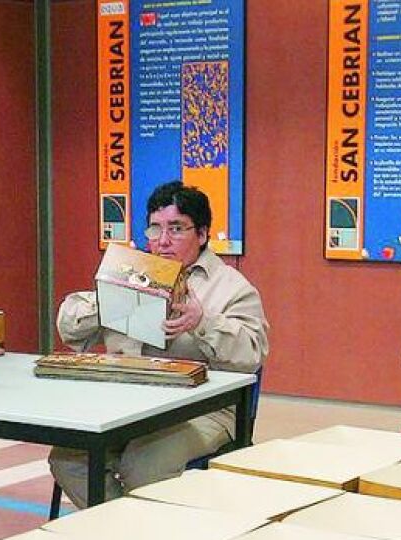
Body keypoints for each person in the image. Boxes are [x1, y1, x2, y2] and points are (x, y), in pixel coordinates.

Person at [50, 180, 268, 507]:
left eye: (176, 229)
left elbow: (252, 353)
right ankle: (123, 529)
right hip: (130, 406)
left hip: (201, 413)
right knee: (69, 458)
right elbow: (69, 329)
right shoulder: (134, 273)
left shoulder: (231, 286)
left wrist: (202, 322)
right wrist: (107, 301)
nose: (163, 241)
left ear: (202, 234)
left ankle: (141, 530)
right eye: (155, 229)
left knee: (144, 466)